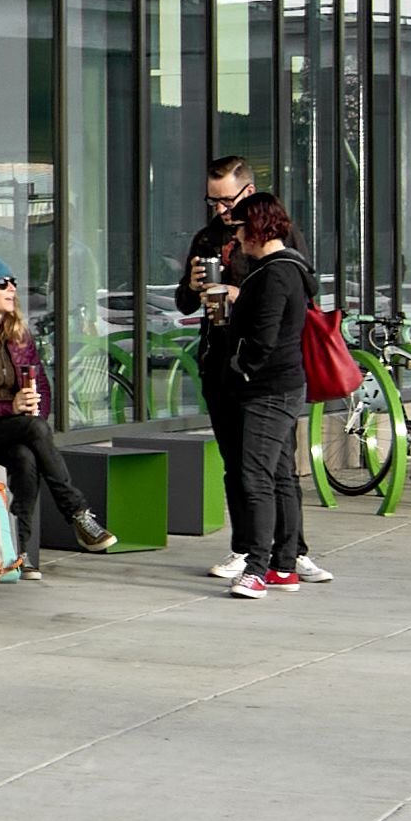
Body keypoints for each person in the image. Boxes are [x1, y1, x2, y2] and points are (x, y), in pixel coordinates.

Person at [0, 255, 115, 575]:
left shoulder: (19, 334)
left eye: (13, 282)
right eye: (2, 283)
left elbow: (41, 384)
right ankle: (77, 512)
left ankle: (19, 552)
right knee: (32, 430)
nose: (12, 289)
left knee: (26, 457)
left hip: (16, 431)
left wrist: (33, 407)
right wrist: (12, 408)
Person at [207, 193, 314, 596]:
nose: (235, 238)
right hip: (284, 385)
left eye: (239, 229)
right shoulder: (292, 268)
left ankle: (257, 567)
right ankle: (284, 567)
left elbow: (263, 339)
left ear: (256, 228)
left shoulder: (272, 274)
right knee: (281, 474)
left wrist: (238, 367)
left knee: (255, 476)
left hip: (267, 389)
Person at [176, 154, 261, 575]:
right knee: (234, 461)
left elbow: (302, 289)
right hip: (218, 360)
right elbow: (183, 302)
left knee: (271, 463)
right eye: (213, 201)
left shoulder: (270, 232)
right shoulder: (207, 237)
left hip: (261, 364)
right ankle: (244, 548)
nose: (222, 211)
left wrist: (237, 291)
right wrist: (192, 288)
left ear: (249, 191)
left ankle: (291, 549)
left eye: (227, 201)